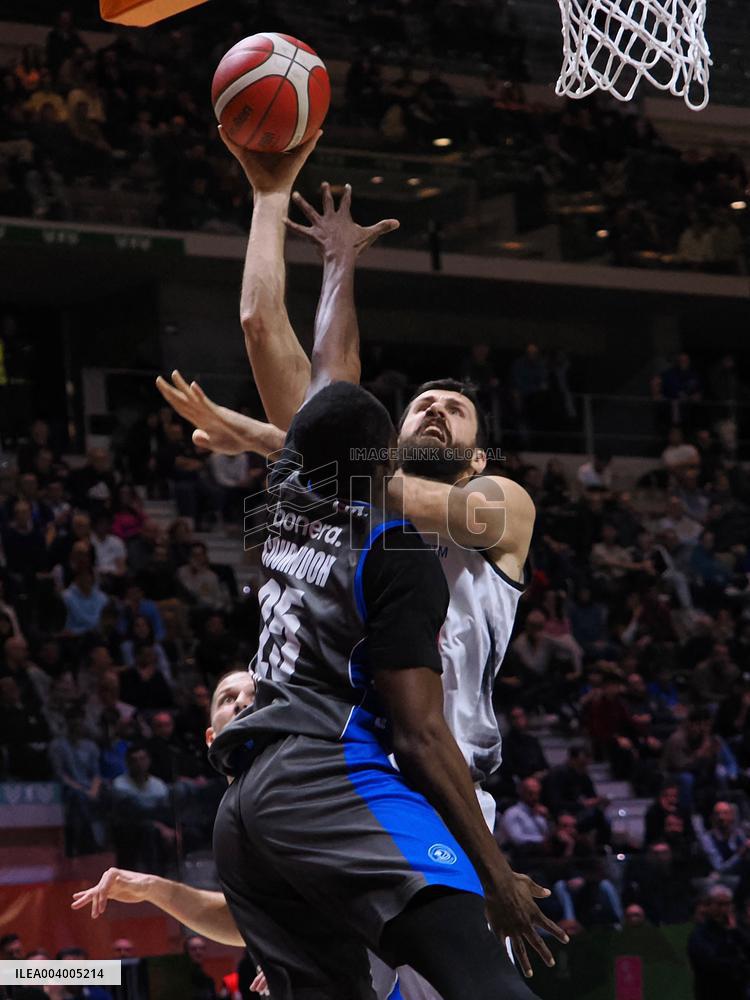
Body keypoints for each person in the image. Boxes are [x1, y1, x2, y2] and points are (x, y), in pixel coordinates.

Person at [687, 885, 750, 1000]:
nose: (724, 909)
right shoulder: (700, 934)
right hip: (712, 992)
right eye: (720, 904)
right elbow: (711, 961)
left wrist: (735, 932)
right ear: (709, 906)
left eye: (728, 904)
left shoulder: (737, 931)